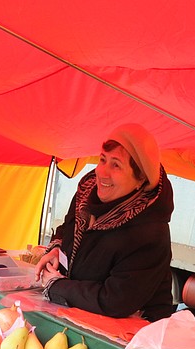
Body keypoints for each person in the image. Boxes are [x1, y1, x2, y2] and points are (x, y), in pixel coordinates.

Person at [35, 123, 176, 321]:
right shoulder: (86, 196)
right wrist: (57, 248)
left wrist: (59, 286)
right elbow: (67, 229)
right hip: (81, 317)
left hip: (130, 337)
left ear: (140, 178)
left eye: (116, 165)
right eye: (102, 160)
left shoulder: (149, 234)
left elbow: (116, 300)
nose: (102, 172)